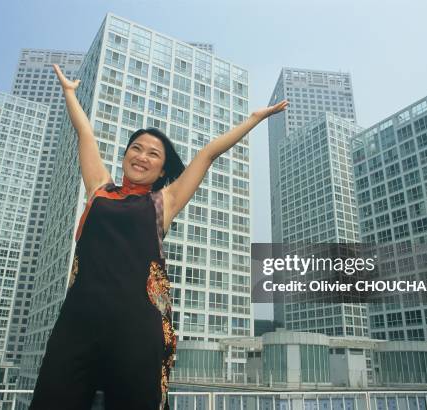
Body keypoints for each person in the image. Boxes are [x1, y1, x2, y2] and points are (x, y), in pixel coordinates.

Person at [28, 63, 288, 410]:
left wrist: (254, 119)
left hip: (136, 329)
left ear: (162, 170)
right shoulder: (99, 190)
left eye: (153, 154)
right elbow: (85, 135)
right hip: (77, 323)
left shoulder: (163, 201)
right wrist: (70, 94)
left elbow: (208, 153)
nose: (142, 156)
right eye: (136, 148)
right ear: (125, 156)